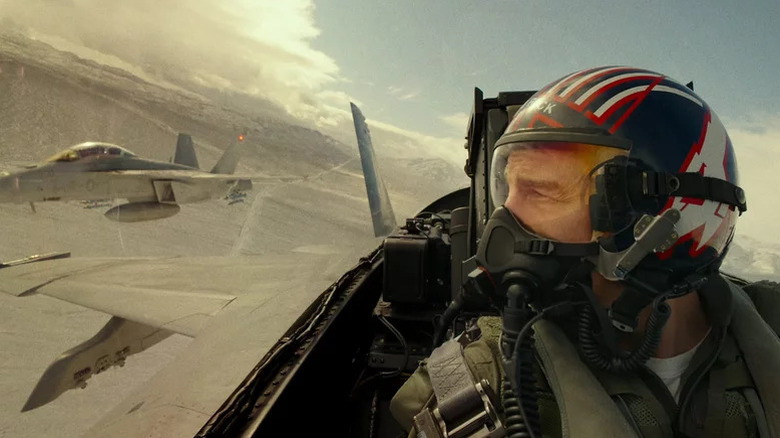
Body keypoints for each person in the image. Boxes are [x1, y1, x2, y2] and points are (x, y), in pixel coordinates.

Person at [391, 67, 780, 437]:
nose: (503, 223)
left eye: (540, 190)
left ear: (658, 222)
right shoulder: (480, 384)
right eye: (507, 191)